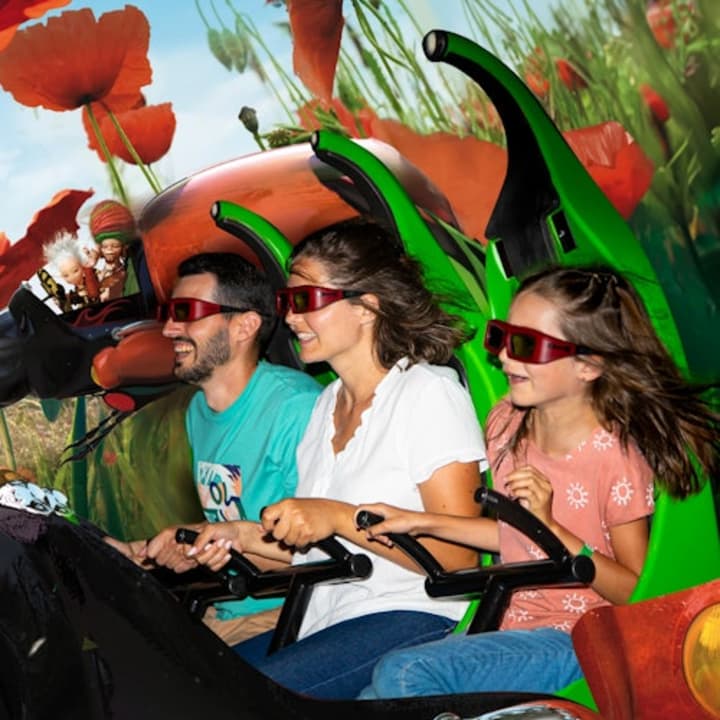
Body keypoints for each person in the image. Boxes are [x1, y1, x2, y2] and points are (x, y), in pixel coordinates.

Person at [356, 265, 720, 699]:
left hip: (577, 637)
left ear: (588, 365)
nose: (506, 358)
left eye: (527, 345)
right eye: (502, 337)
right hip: (507, 623)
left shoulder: (615, 458)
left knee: (403, 673)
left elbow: (635, 593)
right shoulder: (506, 423)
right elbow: (515, 538)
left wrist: (554, 529)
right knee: (370, 701)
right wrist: (419, 522)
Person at [183, 219, 488, 699]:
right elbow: (320, 552)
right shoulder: (326, 404)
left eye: (306, 300)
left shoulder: (427, 393)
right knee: (189, 685)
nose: (291, 317)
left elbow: (458, 559)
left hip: (414, 614)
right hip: (326, 619)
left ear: (367, 307)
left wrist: (341, 517)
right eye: (287, 302)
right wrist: (240, 537)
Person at [108, 252, 321, 644]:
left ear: (245, 326)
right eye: (168, 313)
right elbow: (228, 529)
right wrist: (147, 550)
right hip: (226, 605)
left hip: (288, 613)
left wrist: (199, 541)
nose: (170, 329)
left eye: (186, 312)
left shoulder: (295, 408)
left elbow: (320, 552)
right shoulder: (198, 412)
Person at [42, 232, 101, 310]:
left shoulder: (93, 274)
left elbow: (94, 292)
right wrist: (63, 299)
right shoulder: (78, 287)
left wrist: (88, 268)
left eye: (75, 271)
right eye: (66, 275)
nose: (72, 277)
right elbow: (75, 298)